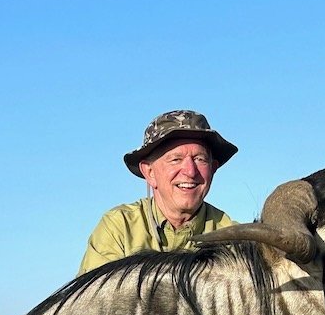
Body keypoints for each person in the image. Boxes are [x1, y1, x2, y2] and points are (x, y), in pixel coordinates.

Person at [78, 110, 238, 274]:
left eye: (200, 159)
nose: (190, 171)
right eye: (176, 159)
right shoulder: (119, 228)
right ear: (149, 172)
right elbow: (94, 298)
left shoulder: (234, 240)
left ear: (213, 169)